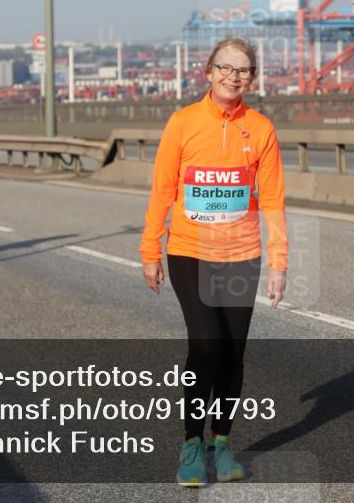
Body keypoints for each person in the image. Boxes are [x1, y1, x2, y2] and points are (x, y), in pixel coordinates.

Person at [140, 37, 288, 487]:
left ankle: (220, 444)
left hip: (242, 254)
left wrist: (279, 261)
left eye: (242, 71)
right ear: (208, 71)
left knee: (233, 354)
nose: (232, 77)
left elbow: (275, 201)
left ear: (251, 79)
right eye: (225, 68)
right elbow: (163, 191)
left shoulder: (260, 128)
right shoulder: (183, 123)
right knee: (205, 345)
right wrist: (150, 250)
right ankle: (190, 446)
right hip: (189, 251)